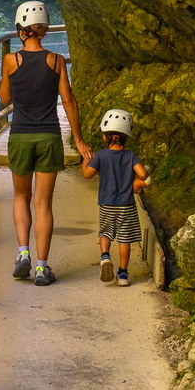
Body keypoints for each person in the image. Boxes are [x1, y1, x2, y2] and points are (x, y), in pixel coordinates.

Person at [0, 1, 91, 285]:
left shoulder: (11, 61)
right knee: (43, 204)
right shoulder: (56, 61)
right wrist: (78, 139)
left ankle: (23, 254)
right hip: (49, 136)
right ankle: (42, 268)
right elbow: (69, 100)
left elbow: (4, 99)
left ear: (20, 30)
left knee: (20, 197)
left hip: (20, 136)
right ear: (44, 30)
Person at [80, 108, 149, 287]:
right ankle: (123, 275)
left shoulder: (101, 155)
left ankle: (105, 257)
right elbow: (142, 174)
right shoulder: (130, 155)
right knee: (124, 240)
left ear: (106, 136)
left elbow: (87, 174)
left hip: (107, 204)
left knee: (105, 232)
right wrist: (140, 179)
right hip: (126, 205)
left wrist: (85, 161)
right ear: (126, 136)